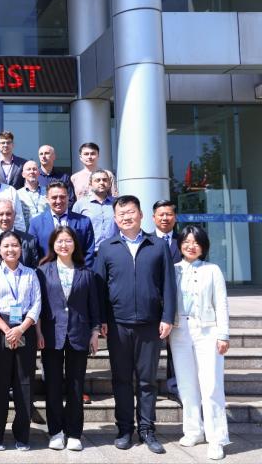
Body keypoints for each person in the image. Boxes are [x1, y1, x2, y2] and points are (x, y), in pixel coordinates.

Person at [95, 195, 176, 454]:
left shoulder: (157, 245)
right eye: (121, 214)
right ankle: (124, 429)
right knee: (121, 380)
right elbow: (99, 289)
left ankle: (147, 429)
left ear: (141, 215)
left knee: (147, 380)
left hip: (151, 324)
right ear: (115, 219)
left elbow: (168, 285)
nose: (126, 217)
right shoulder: (107, 247)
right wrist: (101, 321)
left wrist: (168, 317)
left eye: (131, 212)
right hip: (118, 325)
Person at [35, 227, 100, 452]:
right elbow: (39, 305)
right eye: (60, 241)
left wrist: (95, 332)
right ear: (53, 244)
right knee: (52, 385)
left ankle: (74, 433)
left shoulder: (86, 272)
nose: (64, 245)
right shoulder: (43, 271)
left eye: (68, 241)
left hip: (79, 333)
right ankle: (55, 432)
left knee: (75, 385)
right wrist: (39, 332)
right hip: (51, 335)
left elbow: (94, 306)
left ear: (75, 244)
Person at [172, 225, 230, 461]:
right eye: (186, 241)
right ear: (180, 245)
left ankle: (216, 438)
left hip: (208, 330)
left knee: (211, 385)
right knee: (186, 384)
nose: (191, 246)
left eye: (196, 242)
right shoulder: (173, 269)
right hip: (180, 331)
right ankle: (193, 430)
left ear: (203, 246)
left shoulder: (212, 270)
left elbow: (222, 303)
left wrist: (223, 334)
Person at [0, 231, 41, 452]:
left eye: (15, 245)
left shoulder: (31, 274)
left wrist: (21, 329)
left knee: (23, 384)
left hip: (24, 328)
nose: (10, 250)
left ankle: (22, 435)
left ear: (21, 248)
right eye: (6, 246)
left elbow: (36, 305)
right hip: (0, 330)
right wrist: (8, 330)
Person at [152, 199, 182, 403]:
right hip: (151, 303)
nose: (164, 218)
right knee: (149, 349)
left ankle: (176, 385)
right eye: (160, 214)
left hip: (178, 302)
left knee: (176, 347)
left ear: (175, 217)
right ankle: (148, 386)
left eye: (168, 214)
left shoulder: (184, 241)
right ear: (153, 217)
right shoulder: (145, 240)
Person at [28, 181, 95, 268]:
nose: (58, 201)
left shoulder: (84, 221)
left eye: (62, 197)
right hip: (45, 276)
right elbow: (32, 253)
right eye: (54, 197)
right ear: (47, 199)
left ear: (68, 198)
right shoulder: (36, 223)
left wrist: (82, 274)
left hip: (77, 275)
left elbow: (89, 251)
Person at [0, 199, 40, 275]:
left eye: (8, 214)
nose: (5, 218)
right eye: (1, 214)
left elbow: (35, 268)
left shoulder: (29, 240)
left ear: (14, 215)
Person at [72, 170, 116, 254]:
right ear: (90, 184)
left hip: (114, 252)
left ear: (109, 184)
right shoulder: (80, 204)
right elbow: (73, 229)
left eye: (105, 180)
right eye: (97, 180)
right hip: (90, 253)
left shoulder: (117, 203)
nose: (101, 182)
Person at [16, 160, 49, 230]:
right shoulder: (17, 194)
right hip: (26, 235)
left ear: (39, 173)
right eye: (28, 169)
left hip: (45, 233)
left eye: (34, 169)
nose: (32, 172)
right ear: (23, 174)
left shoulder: (48, 192)